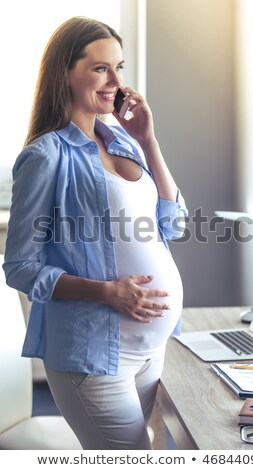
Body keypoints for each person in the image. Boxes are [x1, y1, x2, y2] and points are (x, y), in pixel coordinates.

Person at [3, 16, 187, 450]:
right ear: (64, 72)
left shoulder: (122, 141)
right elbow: (20, 268)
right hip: (94, 357)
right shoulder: (45, 156)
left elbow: (173, 224)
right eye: (101, 68)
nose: (116, 81)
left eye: (119, 68)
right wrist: (107, 292)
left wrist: (148, 139)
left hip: (151, 350)